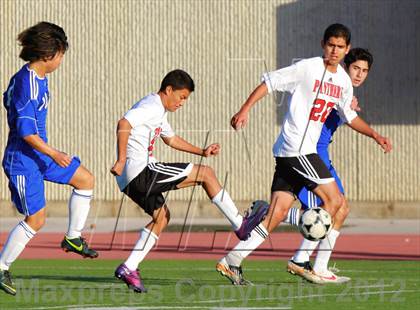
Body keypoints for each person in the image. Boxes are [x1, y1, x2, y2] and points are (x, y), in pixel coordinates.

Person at [216, 24, 391, 285]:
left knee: (276, 214)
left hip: (291, 153)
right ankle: (301, 260)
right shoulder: (307, 68)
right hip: (298, 149)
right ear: (323, 44)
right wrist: (245, 109)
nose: (335, 50)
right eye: (331, 44)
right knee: (335, 201)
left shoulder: (343, 82)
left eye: (340, 46)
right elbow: (270, 82)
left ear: (347, 49)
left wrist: (375, 135)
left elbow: (350, 117)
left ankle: (232, 261)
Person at [110, 69, 268, 293]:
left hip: (128, 180)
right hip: (141, 171)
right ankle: (241, 226)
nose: (183, 103)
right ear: (168, 90)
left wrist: (201, 151)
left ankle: (129, 267)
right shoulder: (152, 106)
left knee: (162, 217)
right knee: (206, 174)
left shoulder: (159, 111)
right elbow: (123, 123)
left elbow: (171, 139)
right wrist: (121, 158)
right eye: (182, 97)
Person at [0, 22, 98, 296]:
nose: (62, 59)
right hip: (24, 159)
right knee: (37, 219)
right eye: (62, 53)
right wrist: (55, 153)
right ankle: (2, 266)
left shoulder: (37, 79)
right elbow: (26, 131)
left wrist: (51, 153)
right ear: (49, 54)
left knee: (86, 179)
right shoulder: (27, 83)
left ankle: (73, 237)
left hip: (40, 154)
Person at [286, 48, 376, 284]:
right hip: (310, 153)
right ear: (346, 66)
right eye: (355, 68)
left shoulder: (345, 91)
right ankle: (296, 252)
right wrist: (375, 135)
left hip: (322, 153)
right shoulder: (336, 86)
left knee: (340, 209)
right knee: (330, 208)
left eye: (364, 71)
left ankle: (321, 267)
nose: (359, 74)